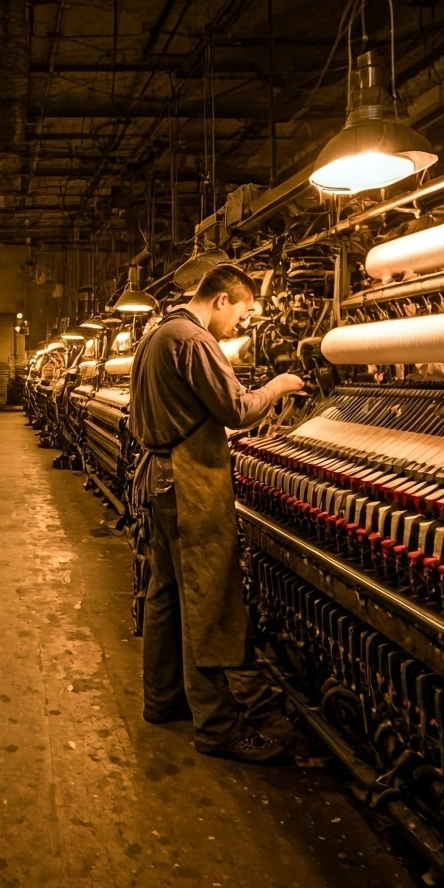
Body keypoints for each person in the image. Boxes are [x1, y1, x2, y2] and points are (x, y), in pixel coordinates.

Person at [128, 263, 304, 763]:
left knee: (165, 597)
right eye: (243, 312)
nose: (242, 326)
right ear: (222, 299)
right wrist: (280, 385)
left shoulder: (157, 334)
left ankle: (162, 701)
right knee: (206, 604)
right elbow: (237, 409)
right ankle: (217, 727)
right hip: (188, 483)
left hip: (161, 481)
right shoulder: (194, 339)